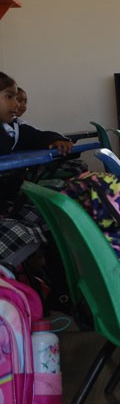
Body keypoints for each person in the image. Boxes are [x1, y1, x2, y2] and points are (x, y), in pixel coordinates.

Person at [0, 73, 70, 270]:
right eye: (9, 96)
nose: (17, 104)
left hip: (9, 198)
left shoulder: (11, 129)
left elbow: (37, 136)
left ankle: (47, 273)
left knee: (53, 213)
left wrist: (56, 139)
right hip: (6, 204)